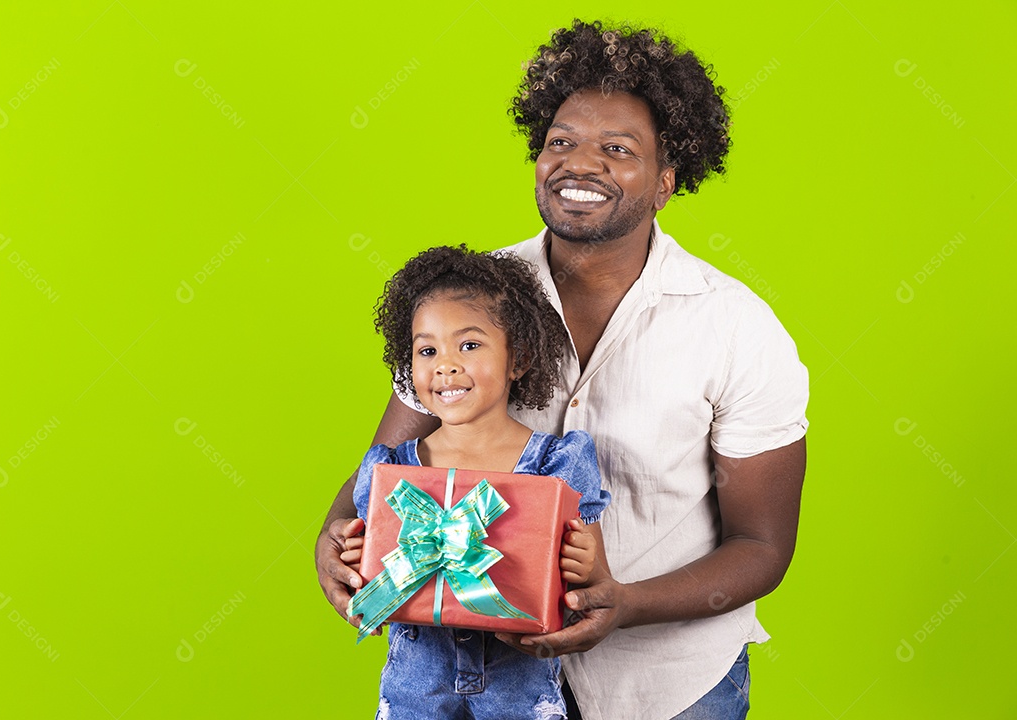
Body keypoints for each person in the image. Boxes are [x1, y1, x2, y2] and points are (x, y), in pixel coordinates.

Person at [318, 19, 809, 720]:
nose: (580, 164)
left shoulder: (736, 328)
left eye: (617, 149)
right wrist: (332, 541)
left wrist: (627, 604)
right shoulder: (465, 300)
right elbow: (388, 466)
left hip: (670, 686)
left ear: (667, 181)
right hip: (481, 681)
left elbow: (761, 547)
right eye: (561, 142)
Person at [344, 245, 612, 720]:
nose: (445, 364)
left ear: (519, 359)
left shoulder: (557, 463)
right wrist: (353, 554)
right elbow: (371, 569)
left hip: (520, 689)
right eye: (427, 350)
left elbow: (592, 580)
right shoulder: (394, 470)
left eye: (468, 345)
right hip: (415, 690)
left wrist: (585, 562)